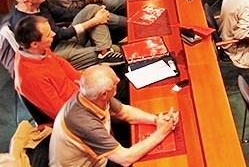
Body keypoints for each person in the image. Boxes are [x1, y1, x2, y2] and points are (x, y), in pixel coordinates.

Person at [49, 65, 179, 167]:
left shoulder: (93, 97)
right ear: (104, 94)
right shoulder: (86, 124)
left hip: (100, 157)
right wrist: (161, 132)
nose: (118, 80)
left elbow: (124, 112)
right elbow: (125, 159)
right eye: (115, 83)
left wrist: (156, 120)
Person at [10, 0, 124, 70]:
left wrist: (95, 12)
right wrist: (94, 21)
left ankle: (104, 51)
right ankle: (107, 51)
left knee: (93, 8)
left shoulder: (40, 2)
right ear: (27, 1)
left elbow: (64, 13)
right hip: (57, 52)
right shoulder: (26, 24)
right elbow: (58, 34)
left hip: (65, 38)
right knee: (119, 50)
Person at [14, 15, 82, 120]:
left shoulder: (39, 50)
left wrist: (82, 81)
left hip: (79, 93)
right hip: (73, 110)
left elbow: (60, 62)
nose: (53, 34)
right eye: (48, 34)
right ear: (34, 44)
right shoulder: (31, 77)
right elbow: (60, 112)